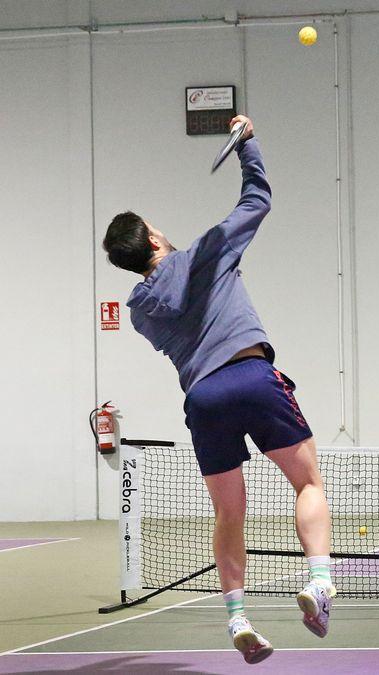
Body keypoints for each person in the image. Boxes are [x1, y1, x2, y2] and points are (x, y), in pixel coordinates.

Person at [102, 115, 335, 664]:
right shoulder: (206, 252)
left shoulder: (140, 312)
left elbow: (171, 296)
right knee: (307, 483)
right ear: (155, 238)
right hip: (252, 376)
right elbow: (257, 201)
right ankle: (320, 583)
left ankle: (236, 616)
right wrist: (248, 145)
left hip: (203, 399)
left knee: (230, 515)